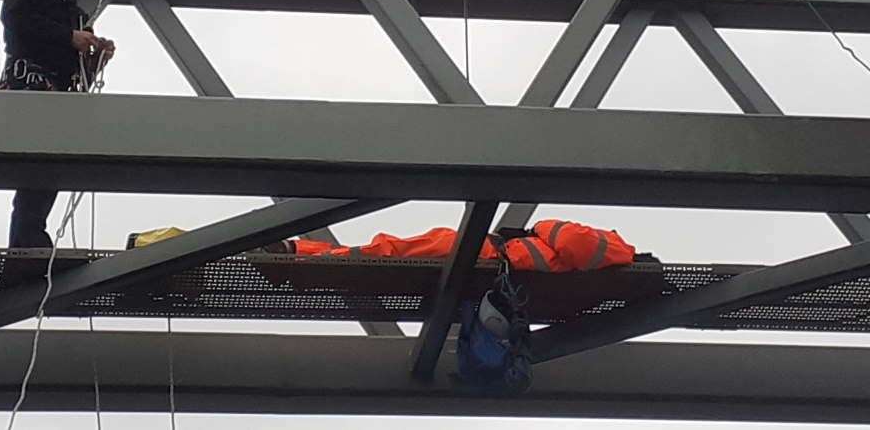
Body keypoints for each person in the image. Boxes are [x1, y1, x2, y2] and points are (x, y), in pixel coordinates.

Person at [0, 0, 116, 248]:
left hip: (54, 91)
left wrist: (95, 58)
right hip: (29, 85)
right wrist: (69, 36)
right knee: (38, 168)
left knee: (46, 171)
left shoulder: (74, 11)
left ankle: (29, 243)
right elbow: (15, 17)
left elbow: (76, 70)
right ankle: (27, 243)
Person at [126, 219, 639, 272]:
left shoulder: (612, 249)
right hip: (484, 258)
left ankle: (296, 253)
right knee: (382, 250)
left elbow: (573, 242)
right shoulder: (611, 256)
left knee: (380, 252)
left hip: (483, 256)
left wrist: (535, 230)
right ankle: (297, 253)